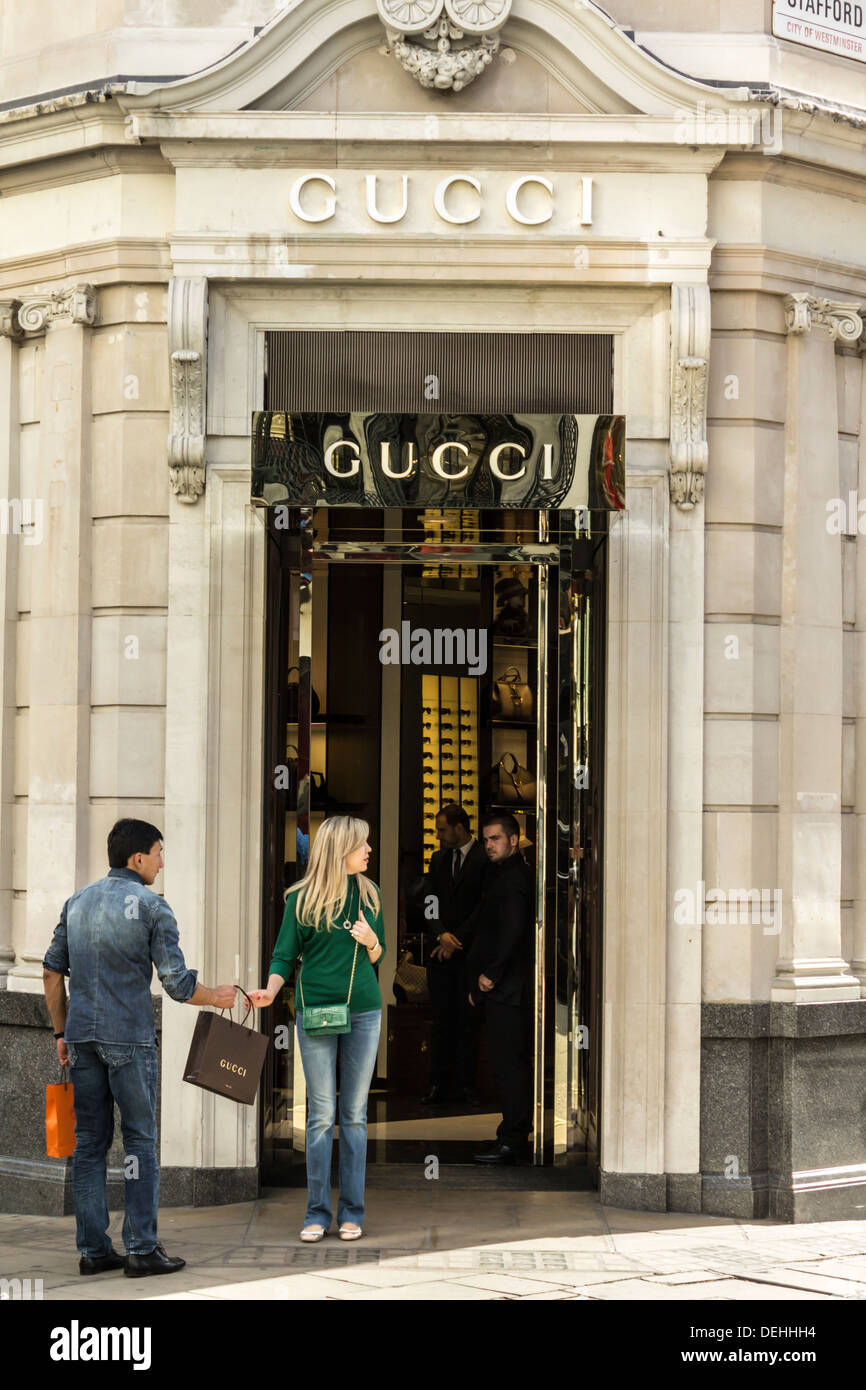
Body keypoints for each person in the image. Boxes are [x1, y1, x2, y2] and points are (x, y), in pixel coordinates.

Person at [41, 818, 238, 1278]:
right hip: (129, 1039)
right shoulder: (153, 907)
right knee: (139, 1142)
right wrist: (218, 997)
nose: (162, 862)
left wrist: (60, 1033)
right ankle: (142, 1248)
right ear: (138, 859)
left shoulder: (78, 902)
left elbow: (52, 972)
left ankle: (93, 1249)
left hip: (83, 1038)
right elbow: (176, 984)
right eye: (158, 853)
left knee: (88, 1145)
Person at [250, 816, 385, 1242]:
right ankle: (316, 1213)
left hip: (363, 1011)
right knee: (322, 1115)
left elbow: (378, 957)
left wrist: (371, 943)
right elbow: (283, 956)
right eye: (362, 845)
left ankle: (352, 1213)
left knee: (355, 1116)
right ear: (339, 849)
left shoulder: (369, 894)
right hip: (315, 1014)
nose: (368, 851)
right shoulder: (301, 900)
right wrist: (271, 991)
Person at [466, 812, 534, 1166]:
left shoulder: (514, 878)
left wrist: (490, 974)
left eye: (495, 838)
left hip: (508, 989)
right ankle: (512, 1135)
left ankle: (513, 1140)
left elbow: (512, 931)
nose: (489, 845)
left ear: (513, 839)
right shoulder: (501, 875)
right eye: (486, 839)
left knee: (510, 1066)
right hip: (503, 987)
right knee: (506, 1065)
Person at [421, 804, 487, 1106]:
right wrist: (440, 935)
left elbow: (484, 906)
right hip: (442, 954)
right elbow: (429, 899)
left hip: (470, 954)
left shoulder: (484, 858)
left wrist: (455, 939)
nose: (439, 836)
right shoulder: (438, 859)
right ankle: (438, 1083)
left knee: (468, 1022)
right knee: (441, 1021)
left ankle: (467, 1086)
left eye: (443, 830)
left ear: (460, 828)